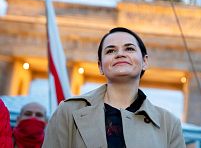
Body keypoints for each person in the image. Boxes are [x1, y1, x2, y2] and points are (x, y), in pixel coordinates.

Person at [43, 27, 186, 148]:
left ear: (144, 61)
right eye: (110, 51)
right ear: (100, 66)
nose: (120, 54)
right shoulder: (69, 111)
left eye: (129, 48)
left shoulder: (169, 124)